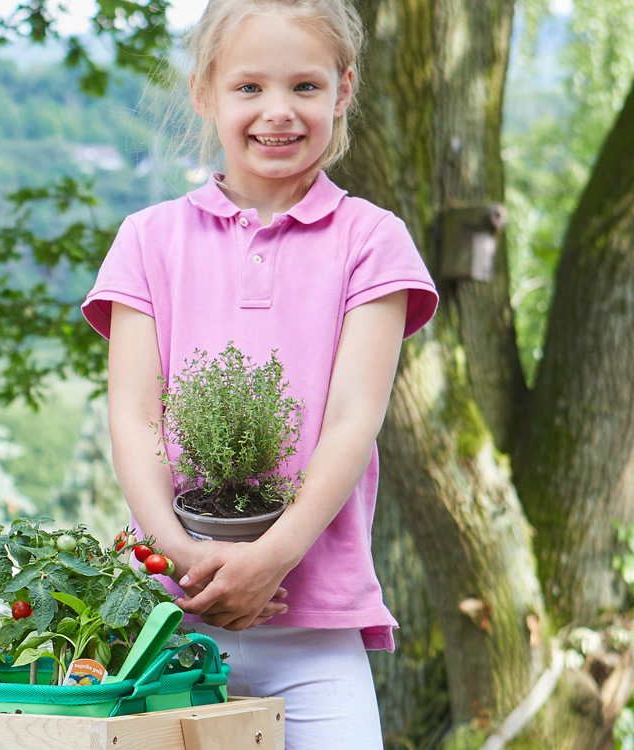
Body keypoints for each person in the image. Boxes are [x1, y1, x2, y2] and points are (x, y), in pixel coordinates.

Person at [82, 1, 438, 746]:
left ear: (343, 92)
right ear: (204, 92)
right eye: (250, 88)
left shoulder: (372, 241)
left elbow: (352, 421)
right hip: (167, 625)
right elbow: (135, 418)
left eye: (304, 87)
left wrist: (270, 559)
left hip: (313, 627)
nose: (278, 111)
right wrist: (185, 557)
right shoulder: (149, 239)